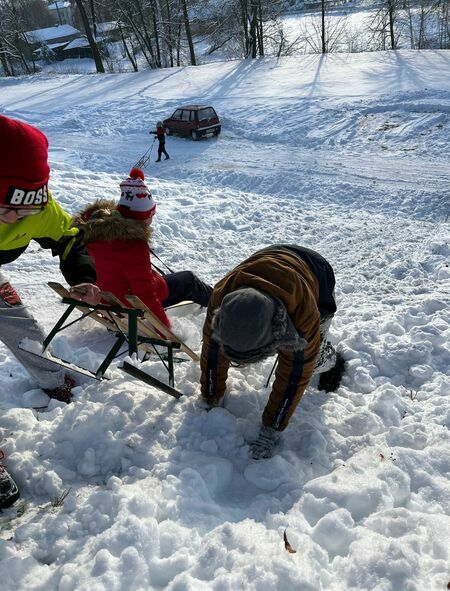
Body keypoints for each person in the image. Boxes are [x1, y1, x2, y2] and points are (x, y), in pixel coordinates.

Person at [0, 115, 101, 509]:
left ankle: (52, 378)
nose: (16, 220)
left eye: (25, 212)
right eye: (7, 209)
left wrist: (83, 276)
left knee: (23, 328)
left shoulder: (34, 208)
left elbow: (70, 238)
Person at [200, 244, 345, 460]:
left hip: (317, 274)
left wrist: (272, 428)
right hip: (271, 259)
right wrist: (211, 394)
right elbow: (212, 350)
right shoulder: (224, 297)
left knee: (312, 360)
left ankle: (332, 360)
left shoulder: (302, 317)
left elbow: (294, 375)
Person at [72, 168, 212, 330]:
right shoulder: (133, 245)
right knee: (189, 279)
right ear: (144, 217)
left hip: (110, 299)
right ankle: (225, 304)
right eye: (151, 215)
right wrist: (164, 329)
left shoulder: (95, 233)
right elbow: (145, 294)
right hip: (131, 303)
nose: (152, 218)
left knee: (170, 277)